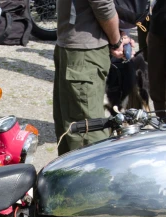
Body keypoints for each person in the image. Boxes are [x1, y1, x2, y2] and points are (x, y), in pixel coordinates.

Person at [54, 0, 124, 154]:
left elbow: (102, 4)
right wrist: (117, 40)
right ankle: (73, 176)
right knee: (76, 130)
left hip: (81, 49)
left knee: (86, 132)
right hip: (76, 47)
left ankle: (95, 176)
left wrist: (117, 39)